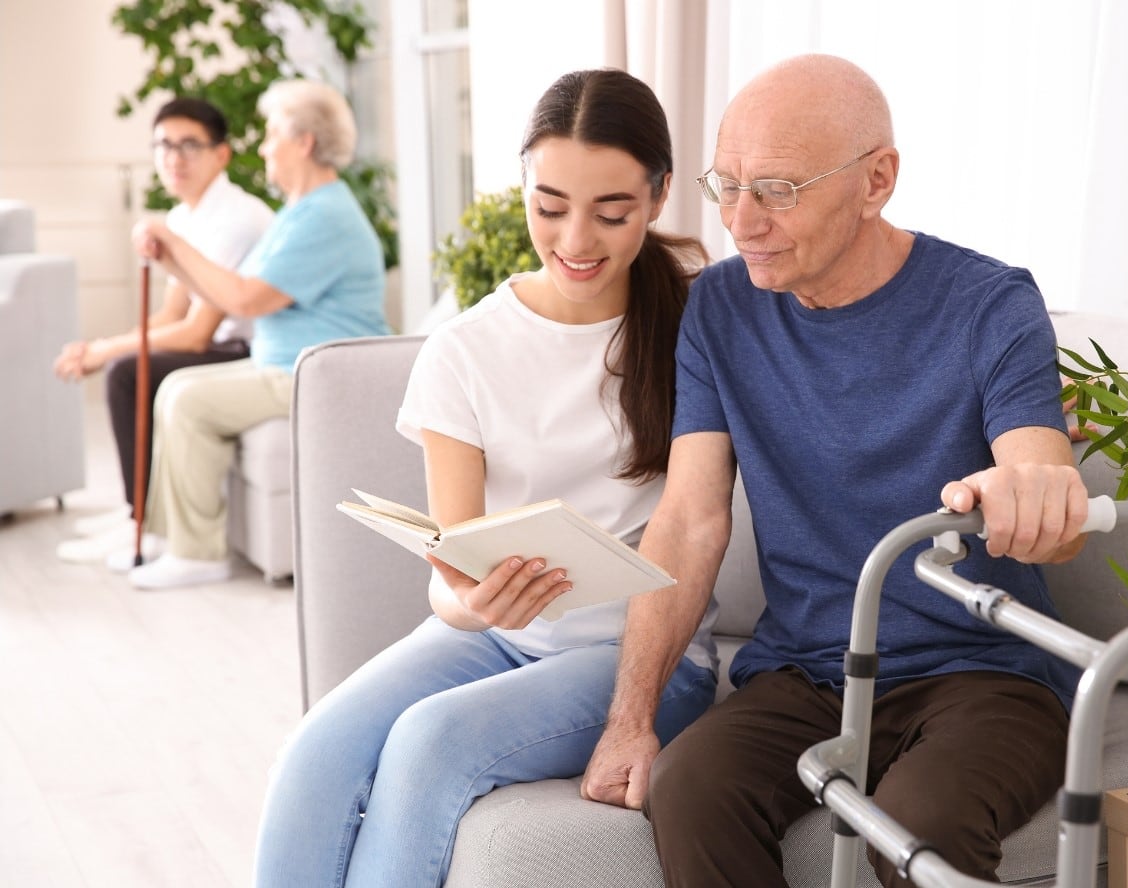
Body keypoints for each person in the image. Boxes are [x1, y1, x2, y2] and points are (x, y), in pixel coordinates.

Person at [580, 54, 1091, 887]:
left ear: (876, 179)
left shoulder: (990, 304)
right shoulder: (719, 307)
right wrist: (629, 720)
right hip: (809, 671)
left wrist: (1031, 496)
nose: (741, 223)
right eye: (728, 187)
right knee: (691, 787)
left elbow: (1040, 475)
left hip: (983, 676)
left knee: (917, 833)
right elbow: (689, 520)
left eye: (777, 190)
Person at [251, 69, 717, 887]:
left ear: (658, 194)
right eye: (549, 207)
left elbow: (700, 517)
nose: (576, 241)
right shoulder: (464, 351)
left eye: (612, 213)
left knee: (430, 746)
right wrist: (469, 600)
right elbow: (450, 571)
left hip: (644, 655)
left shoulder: (694, 325)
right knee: (314, 754)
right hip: (500, 637)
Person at [124, 79, 389, 589]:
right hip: (286, 363)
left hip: (315, 373)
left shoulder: (326, 217)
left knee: (188, 400)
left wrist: (175, 241)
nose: (264, 147)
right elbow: (229, 293)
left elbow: (247, 299)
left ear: (304, 142)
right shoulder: (301, 211)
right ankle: (168, 538)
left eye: (272, 135)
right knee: (176, 387)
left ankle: (198, 554)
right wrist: (171, 257)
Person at [53, 97, 274, 564]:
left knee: (126, 373)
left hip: (245, 348)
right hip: (215, 342)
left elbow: (196, 332)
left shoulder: (237, 218)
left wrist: (106, 353)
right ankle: (138, 512)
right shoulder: (182, 217)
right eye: (164, 145)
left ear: (222, 154)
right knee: (124, 363)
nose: (174, 158)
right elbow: (170, 315)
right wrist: (98, 346)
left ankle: (144, 523)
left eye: (189, 145)